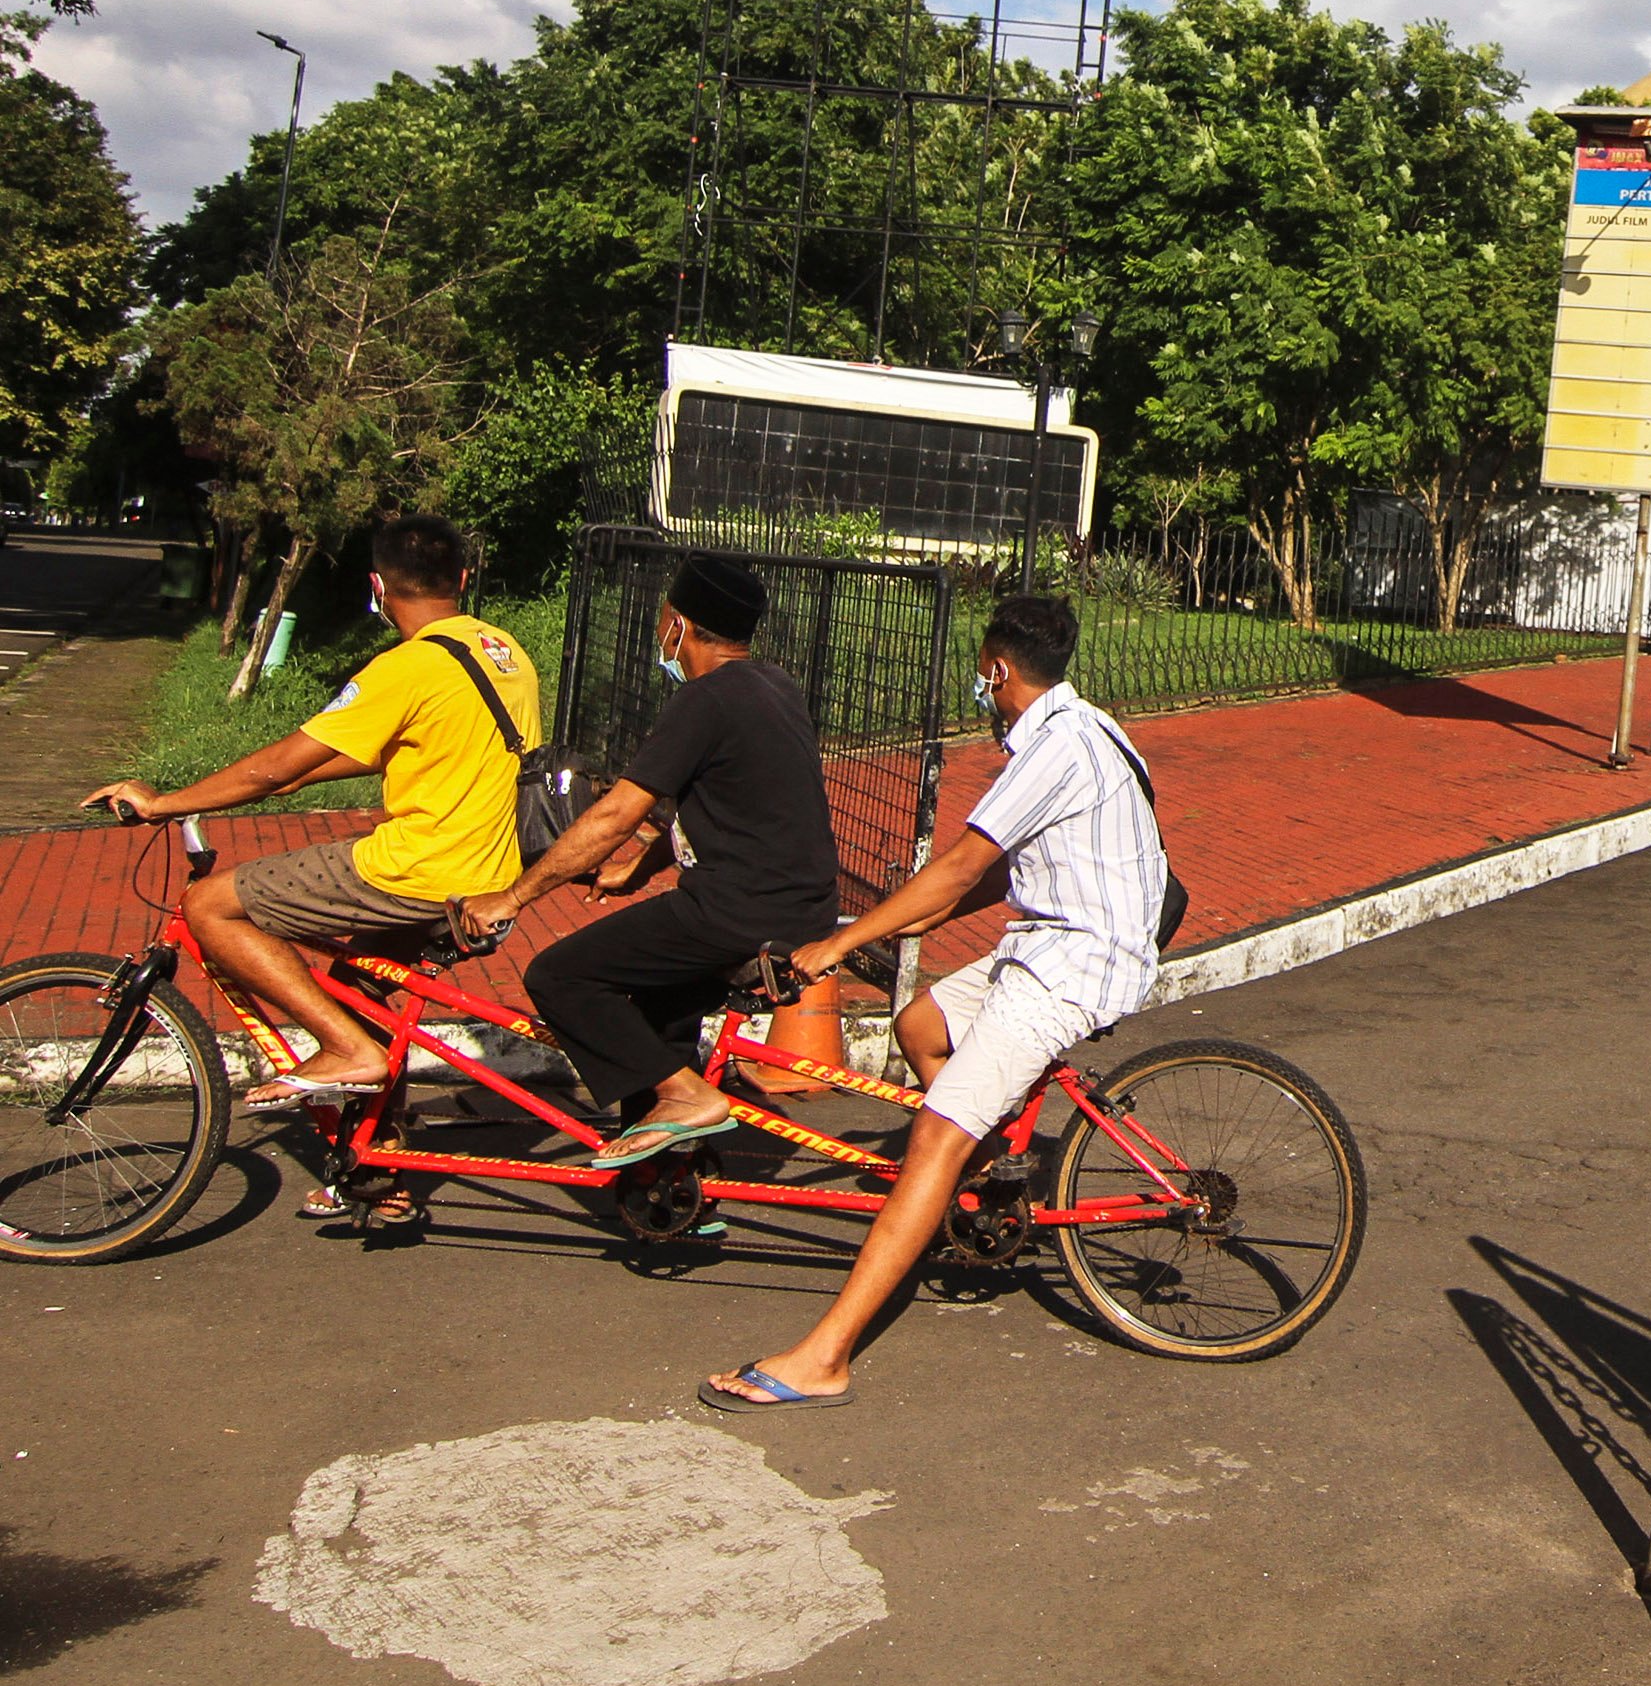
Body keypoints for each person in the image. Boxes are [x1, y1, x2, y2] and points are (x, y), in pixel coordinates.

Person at [704, 591, 1166, 1410]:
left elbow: (958, 867)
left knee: (933, 1137)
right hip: (1050, 940)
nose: (979, 692)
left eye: (982, 676)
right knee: (920, 1022)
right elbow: (985, 876)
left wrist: (840, 945)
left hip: (1075, 965)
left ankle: (826, 1354)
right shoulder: (1089, 722)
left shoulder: (1054, 748)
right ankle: (995, 1184)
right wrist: (911, 913)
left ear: (998, 668)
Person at [81, 512, 533, 1114]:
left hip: (420, 869)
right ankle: (378, 1169)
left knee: (208, 904)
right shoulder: (503, 650)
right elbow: (416, 747)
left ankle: (349, 1051)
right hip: (491, 870)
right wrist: (288, 782)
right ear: (464, 578)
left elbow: (277, 767)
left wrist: (164, 802)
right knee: (356, 989)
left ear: (378, 586)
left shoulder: (404, 667)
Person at [463, 550, 841, 1170]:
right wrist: (637, 870)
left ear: (678, 623)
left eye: (662, 616)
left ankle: (687, 1096)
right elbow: (720, 800)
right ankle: (668, 1181)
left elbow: (616, 815)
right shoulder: (777, 687)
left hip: (733, 912)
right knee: (657, 1013)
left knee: (560, 976)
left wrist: (512, 898)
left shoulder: (704, 700)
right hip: (802, 908)